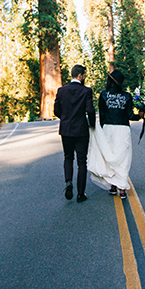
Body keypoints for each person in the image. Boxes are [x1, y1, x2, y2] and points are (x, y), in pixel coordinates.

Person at [87, 69, 138, 200]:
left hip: (108, 128)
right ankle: (122, 189)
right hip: (122, 129)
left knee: (109, 156)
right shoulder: (127, 96)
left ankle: (113, 186)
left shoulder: (104, 94)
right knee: (123, 158)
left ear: (111, 81)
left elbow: (102, 115)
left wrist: (102, 130)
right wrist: (140, 115)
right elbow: (130, 116)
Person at [53, 64, 96, 203]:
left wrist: (65, 118)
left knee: (68, 157)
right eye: (84, 75)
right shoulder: (86, 91)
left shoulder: (61, 91)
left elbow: (56, 110)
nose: (85, 77)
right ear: (79, 75)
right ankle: (80, 194)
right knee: (82, 161)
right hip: (81, 130)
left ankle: (68, 182)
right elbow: (90, 110)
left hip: (66, 129)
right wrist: (92, 124)